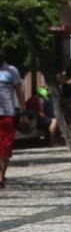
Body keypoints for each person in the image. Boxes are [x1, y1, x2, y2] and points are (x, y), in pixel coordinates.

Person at [0, 47, 26, 188]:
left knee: (5, 147)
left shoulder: (11, 71)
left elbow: (19, 92)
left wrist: (23, 112)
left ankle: (1, 177)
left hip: (7, 114)